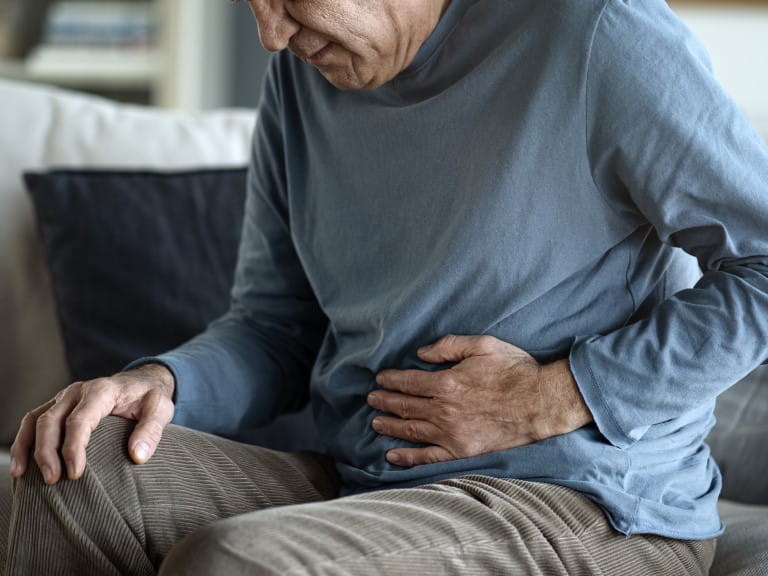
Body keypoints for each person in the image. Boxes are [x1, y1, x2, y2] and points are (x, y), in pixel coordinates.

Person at [6, 0, 768, 573]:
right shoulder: (301, 82)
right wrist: (160, 382)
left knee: (240, 565)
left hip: (584, 505)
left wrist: (558, 392)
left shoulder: (596, 33)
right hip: (363, 486)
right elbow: (276, 326)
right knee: (69, 465)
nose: (270, 33)